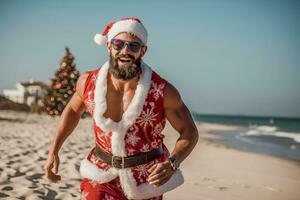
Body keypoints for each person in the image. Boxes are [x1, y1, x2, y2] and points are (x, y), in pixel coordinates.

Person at [44, 17, 199, 200]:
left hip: (146, 180)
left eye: (133, 46)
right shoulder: (87, 83)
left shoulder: (162, 91)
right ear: (109, 46)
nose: (125, 51)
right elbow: (72, 110)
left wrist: (172, 162)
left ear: (143, 51)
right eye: (118, 44)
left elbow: (189, 131)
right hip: (101, 174)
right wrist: (54, 149)